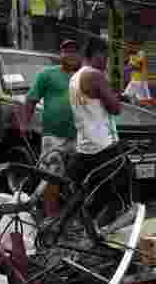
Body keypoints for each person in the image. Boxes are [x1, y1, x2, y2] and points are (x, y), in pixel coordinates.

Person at [23, 39, 80, 217]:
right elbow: (31, 99)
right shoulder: (47, 74)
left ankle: (72, 216)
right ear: (60, 54)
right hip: (53, 136)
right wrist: (25, 123)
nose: (70, 54)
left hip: (79, 136)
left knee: (76, 178)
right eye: (66, 51)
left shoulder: (83, 76)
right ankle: (51, 217)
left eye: (74, 51)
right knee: (51, 178)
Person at [67, 58, 125, 220]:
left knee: (84, 193)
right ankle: (103, 232)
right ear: (98, 55)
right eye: (105, 58)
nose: (106, 63)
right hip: (105, 146)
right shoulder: (95, 75)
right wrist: (115, 96)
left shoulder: (74, 78)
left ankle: (79, 226)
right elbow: (115, 108)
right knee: (114, 197)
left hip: (85, 146)